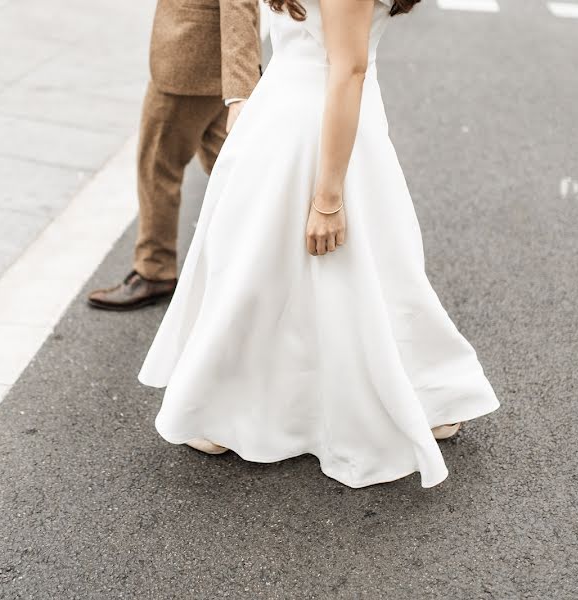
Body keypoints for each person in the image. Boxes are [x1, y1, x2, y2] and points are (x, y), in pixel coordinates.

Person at [138, 0, 500, 488]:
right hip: (292, 115)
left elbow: (347, 70)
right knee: (310, 267)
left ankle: (243, 404)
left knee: (284, 270)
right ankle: (278, 400)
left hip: (313, 127)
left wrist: (328, 197)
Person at [88, 0, 262, 311]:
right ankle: (264, 261)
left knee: (158, 165)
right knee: (235, 172)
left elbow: (240, 4)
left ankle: (154, 269)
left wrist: (241, 92)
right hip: (204, 63)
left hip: (189, 65)